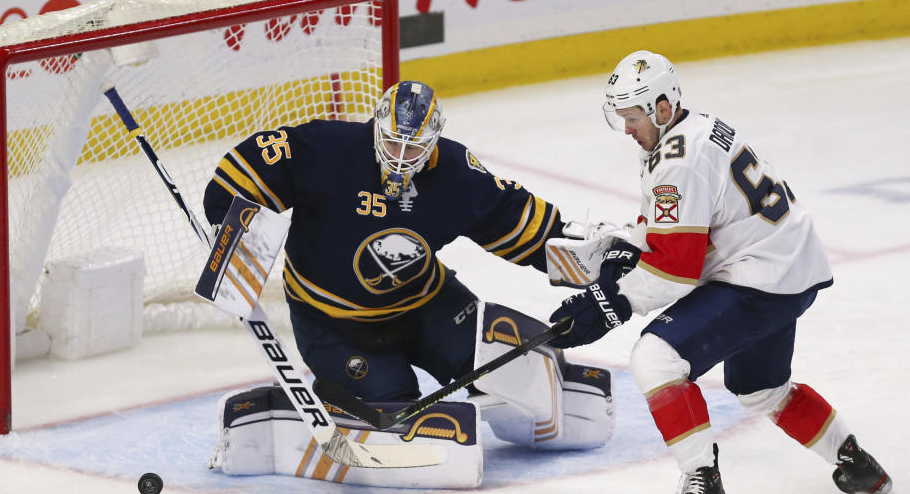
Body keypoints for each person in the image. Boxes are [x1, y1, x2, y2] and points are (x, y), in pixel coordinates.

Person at [548, 50, 902, 494]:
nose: (626, 129)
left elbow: (675, 272)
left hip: (760, 277)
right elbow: (689, 231)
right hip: (787, 266)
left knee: (656, 358)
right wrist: (627, 247)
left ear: (663, 108)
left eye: (632, 118)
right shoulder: (698, 127)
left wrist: (607, 303)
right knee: (760, 387)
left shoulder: (677, 161)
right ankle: (854, 460)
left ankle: (704, 492)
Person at [203, 80, 615, 457]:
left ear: (433, 140)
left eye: (413, 148)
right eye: (392, 143)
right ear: (376, 127)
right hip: (334, 323)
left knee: (506, 368)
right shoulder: (328, 149)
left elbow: (514, 219)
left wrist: (588, 254)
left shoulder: (455, 172)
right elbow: (249, 167)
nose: (400, 157)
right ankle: (326, 400)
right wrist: (229, 219)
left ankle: (530, 400)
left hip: (428, 306)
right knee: (395, 411)